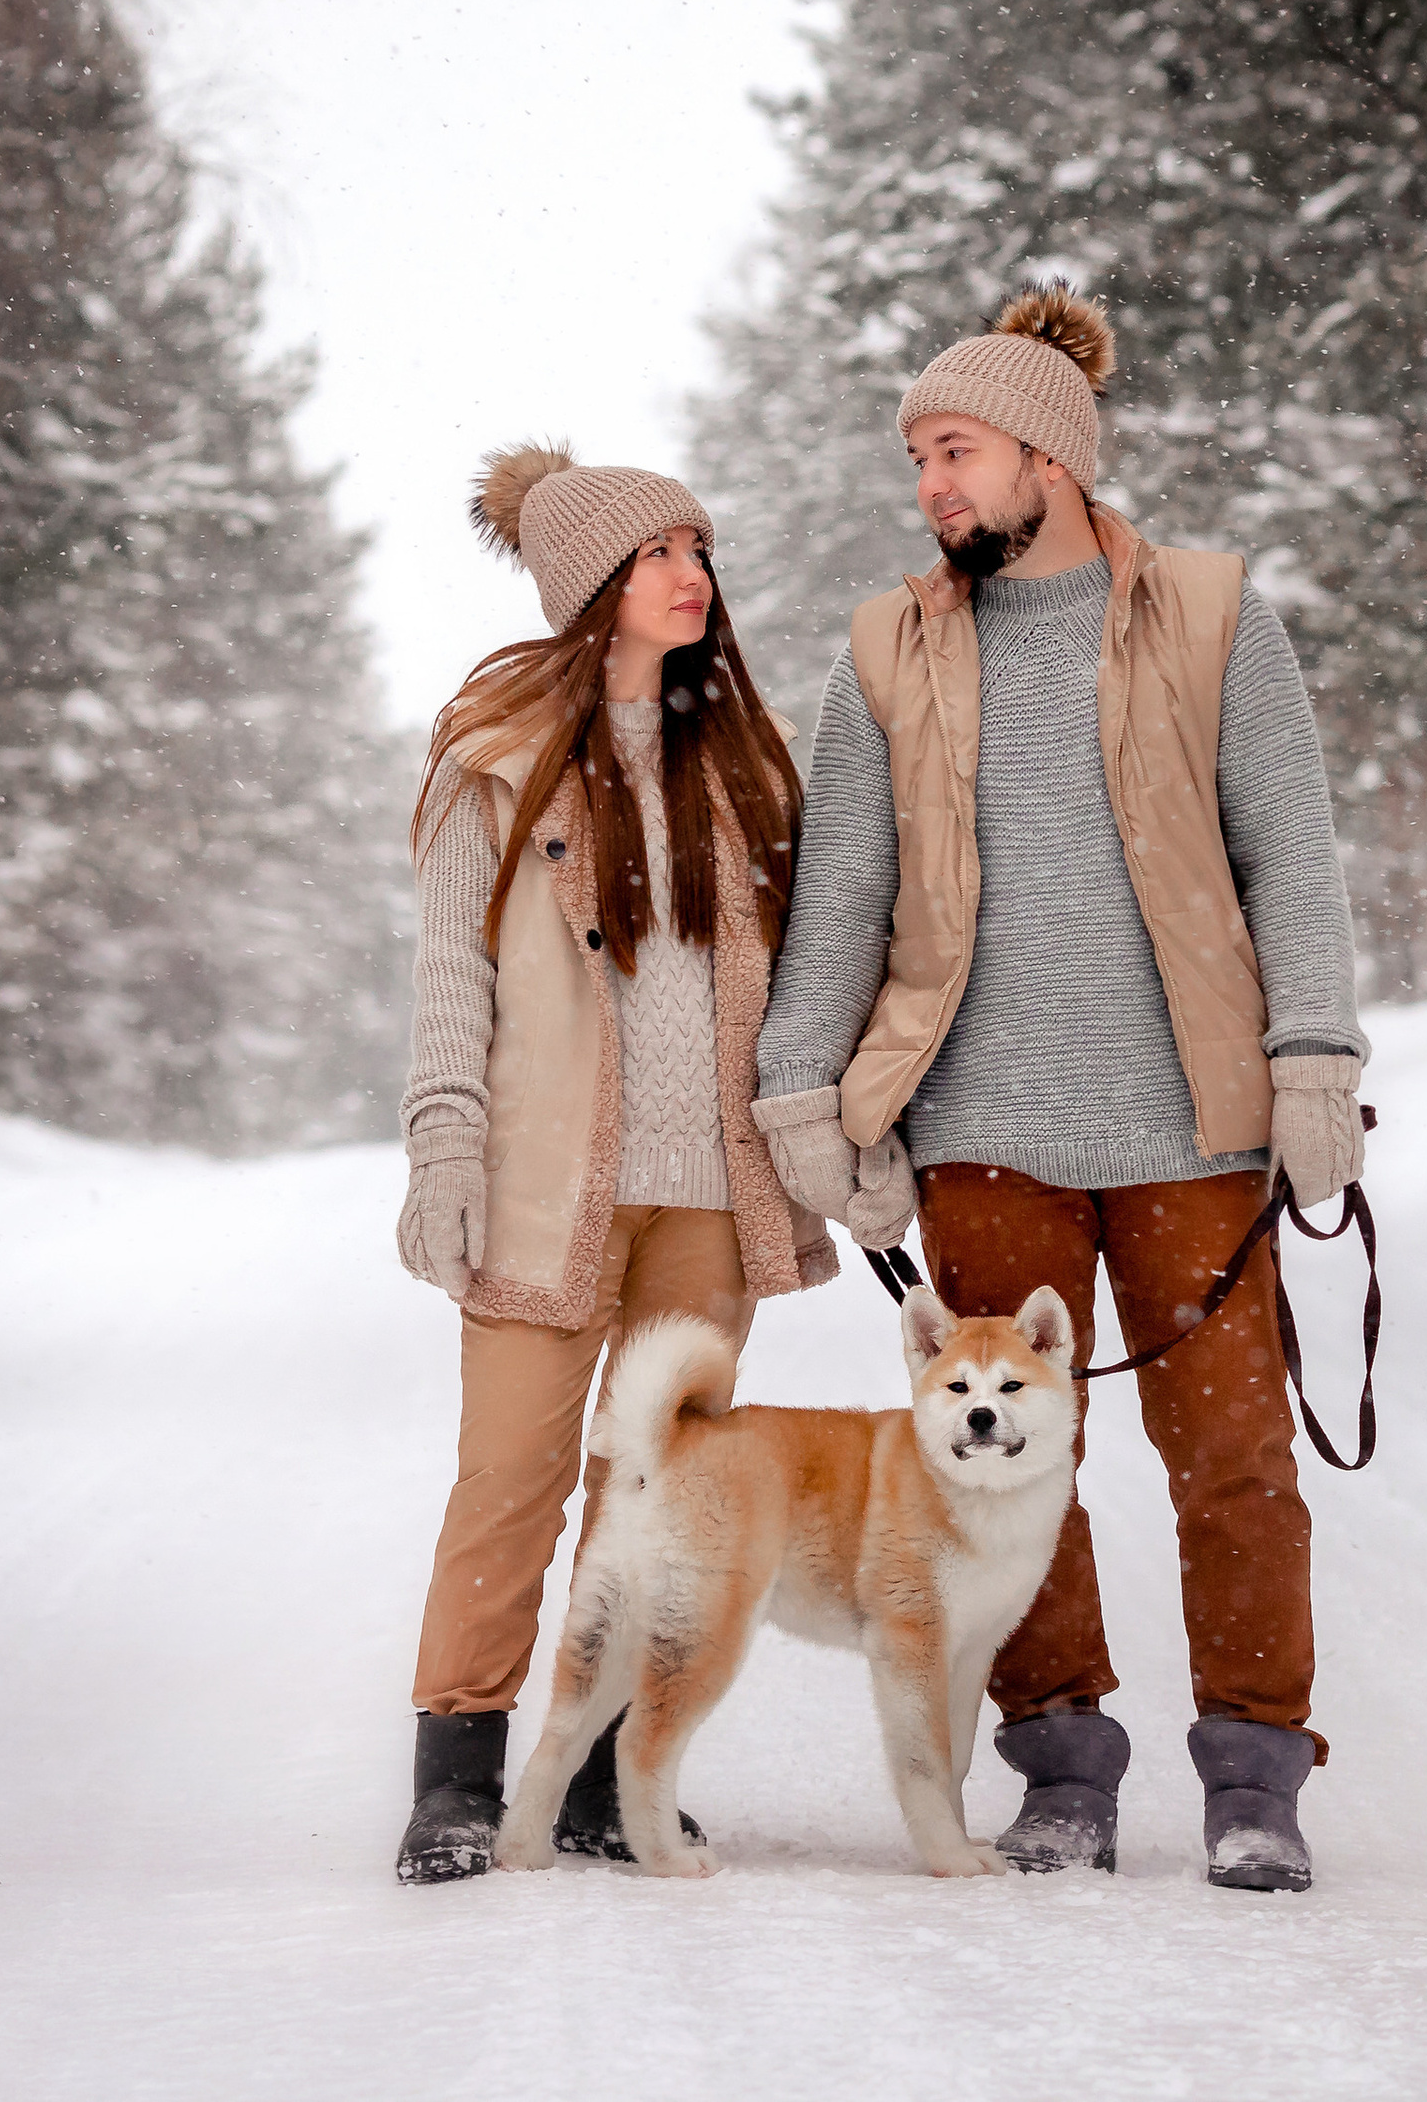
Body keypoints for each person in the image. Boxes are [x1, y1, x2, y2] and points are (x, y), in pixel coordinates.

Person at [751, 284, 1369, 1892]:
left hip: (1192, 1124)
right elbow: (845, 896)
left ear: (1050, 453)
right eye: (916, 458)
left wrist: (1314, 1054)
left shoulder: (1215, 613)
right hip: (983, 1133)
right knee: (1011, 1462)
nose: (930, 486)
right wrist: (808, 1098)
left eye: (954, 450)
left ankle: (1254, 1776)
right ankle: (1064, 1764)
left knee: (1233, 1462)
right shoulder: (892, 645)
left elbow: (1288, 854)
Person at [394, 443, 835, 1884]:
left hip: (710, 1201)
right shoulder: (494, 759)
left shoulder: (750, 765)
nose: (691, 574)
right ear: (593, 584)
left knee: (652, 1496)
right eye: (659, 553)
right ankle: (455, 1778)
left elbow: (811, 979)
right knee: (509, 1486)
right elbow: (451, 977)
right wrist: (441, 1143)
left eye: (699, 549)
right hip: (542, 1188)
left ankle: (593, 1774)